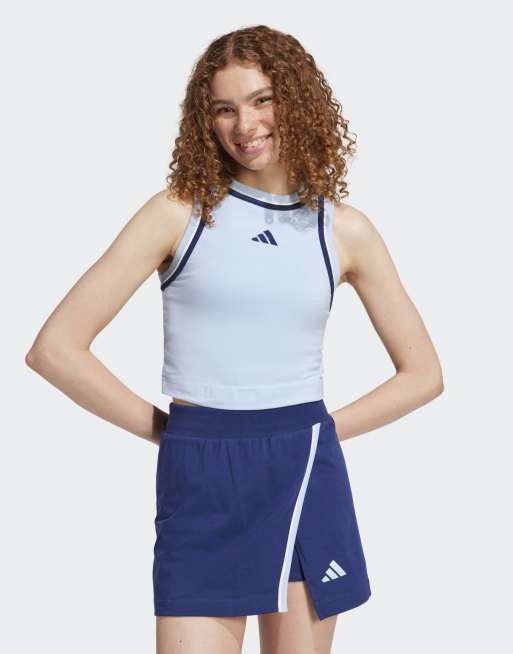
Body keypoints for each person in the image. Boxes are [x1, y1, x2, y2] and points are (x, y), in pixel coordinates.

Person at [26, 24, 444, 654]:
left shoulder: (344, 230)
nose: (245, 125)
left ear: (296, 100)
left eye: (261, 100)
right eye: (224, 108)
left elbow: (424, 375)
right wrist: (174, 433)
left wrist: (317, 432)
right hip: (201, 478)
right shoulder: (180, 212)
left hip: (304, 473)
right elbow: (55, 348)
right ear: (206, 120)